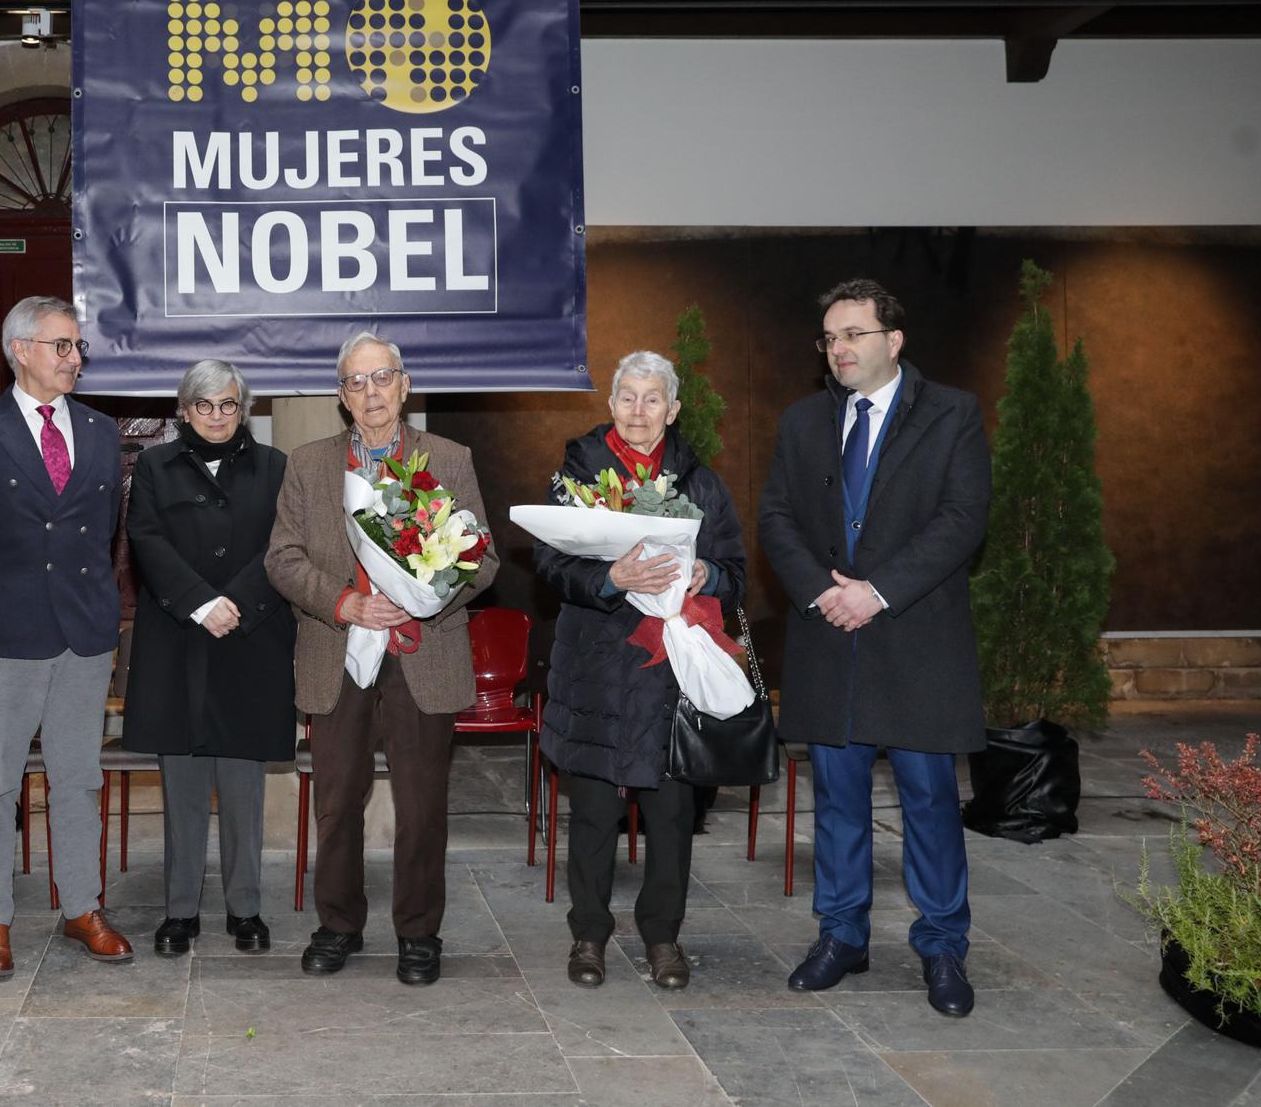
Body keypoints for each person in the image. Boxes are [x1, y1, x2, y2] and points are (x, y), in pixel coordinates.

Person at [760, 278, 991, 1018]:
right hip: (830, 638)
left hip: (915, 636)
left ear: (894, 340)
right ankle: (841, 935)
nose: (840, 349)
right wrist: (822, 590)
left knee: (929, 800)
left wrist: (876, 589)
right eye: (830, 338)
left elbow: (961, 521)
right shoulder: (802, 421)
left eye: (854, 333)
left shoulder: (953, 413)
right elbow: (776, 517)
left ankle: (943, 944)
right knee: (837, 802)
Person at [265, 330, 497, 985]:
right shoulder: (308, 464)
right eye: (356, 382)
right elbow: (281, 558)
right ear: (342, 396)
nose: (371, 392)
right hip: (337, 654)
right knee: (337, 802)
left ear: (404, 385)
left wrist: (427, 598)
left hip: (423, 657)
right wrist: (345, 604)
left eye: (381, 378)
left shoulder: (449, 458)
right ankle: (338, 923)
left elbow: (483, 559)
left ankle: (420, 932)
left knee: (423, 806)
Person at [530, 351, 745, 991]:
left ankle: (663, 938)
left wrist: (709, 574)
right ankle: (589, 936)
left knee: (671, 816)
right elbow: (547, 563)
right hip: (593, 670)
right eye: (628, 397)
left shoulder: (701, 484)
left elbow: (735, 570)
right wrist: (608, 578)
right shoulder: (577, 475)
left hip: (670, 676)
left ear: (673, 410)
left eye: (653, 399)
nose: (639, 411)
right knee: (594, 812)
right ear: (611, 405)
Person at [0, 296, 133, 978]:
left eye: (77, 346)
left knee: (78, 779)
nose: (75, 358)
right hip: (5, 635)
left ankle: (82, 906)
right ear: (20, 349)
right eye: (61, 346)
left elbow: (103, 528)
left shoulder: (101, 432)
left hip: (83, 632)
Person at [124, 360, 296, 955]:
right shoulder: (153, 466)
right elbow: (145, 539)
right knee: (184, 787)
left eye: (228, 405)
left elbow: (285, 545)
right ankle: (180, 912)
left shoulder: (276, 466)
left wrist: (237, 604)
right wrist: (200, 603)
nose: (218, 416)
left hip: (252, 638)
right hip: (180, 638)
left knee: (245, 787)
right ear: (184, 411)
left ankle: (245, 910)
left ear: (243, 408)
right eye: (205, 406)